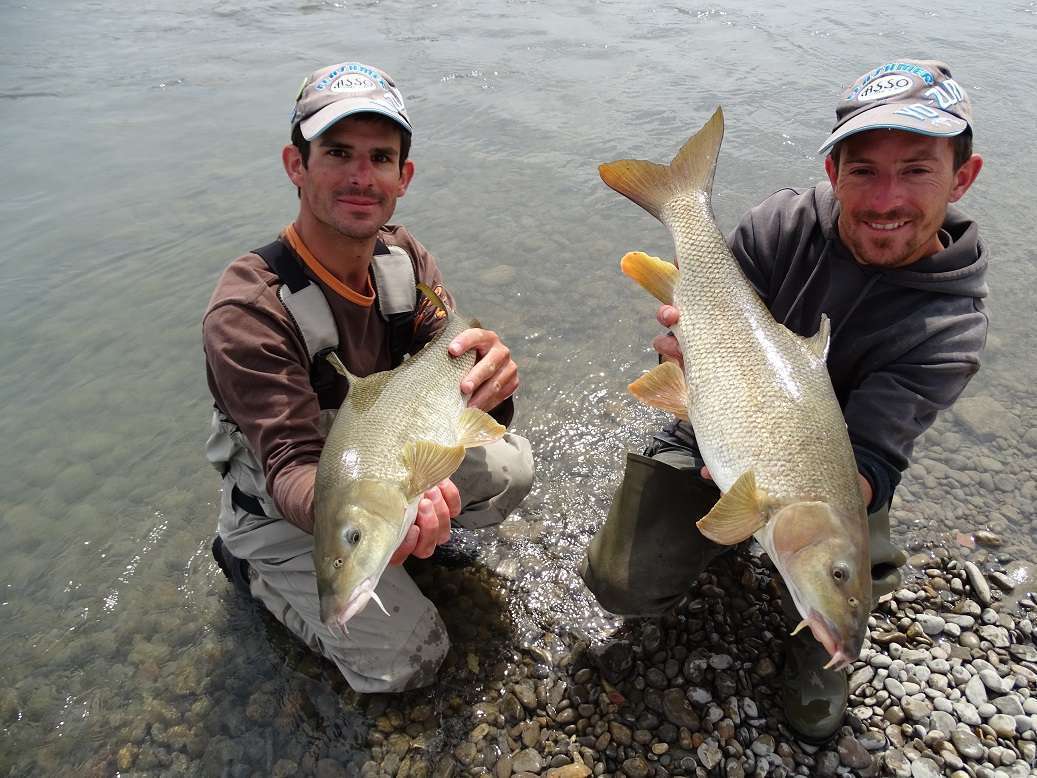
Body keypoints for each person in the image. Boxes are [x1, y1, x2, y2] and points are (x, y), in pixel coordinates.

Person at [581, 59, 986, 741]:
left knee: (858, 553)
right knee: (617, 581)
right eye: (863, 170)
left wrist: (806, 524)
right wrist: (679, 355)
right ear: (833, 175)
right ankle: (678, 195)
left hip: (840, 469)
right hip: (715, 423)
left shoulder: (950, 329)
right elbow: (695, 333)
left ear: (960, 178)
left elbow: (869, 459)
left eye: (916, 170)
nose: (885, 198)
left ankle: (825, 635)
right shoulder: (781, 225)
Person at [203, 61, 534, 693]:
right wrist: (373, 521)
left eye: (380, 157)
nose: (361, 177)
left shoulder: (404, 261)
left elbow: (456, 372)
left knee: (510, 469)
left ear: (403, 177)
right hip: (284, 507)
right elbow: (293, 466)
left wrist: (495, 382)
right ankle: (255, 571)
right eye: (337, 152)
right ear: (295, 165)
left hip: (384, 458)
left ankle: (398, 551)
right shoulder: (249, 310)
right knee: (411, 662)